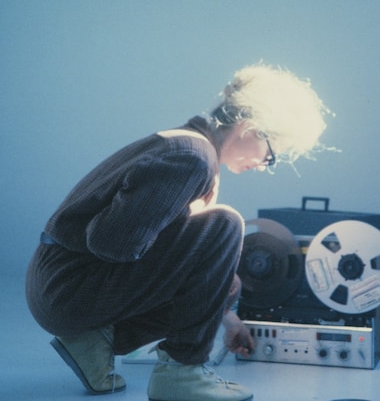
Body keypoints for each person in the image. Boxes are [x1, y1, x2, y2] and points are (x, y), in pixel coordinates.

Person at [25, 63, 330, 401]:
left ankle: (94, 344)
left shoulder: (186, 146)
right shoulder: (192, 157)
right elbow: (109, 241)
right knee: (225, 225)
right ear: (250, 128)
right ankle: (182, 373)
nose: (263, 165)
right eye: (272, 155)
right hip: (66, 289)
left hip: (59, 285)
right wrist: (186, 234)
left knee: (228, 287)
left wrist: (224, 317)